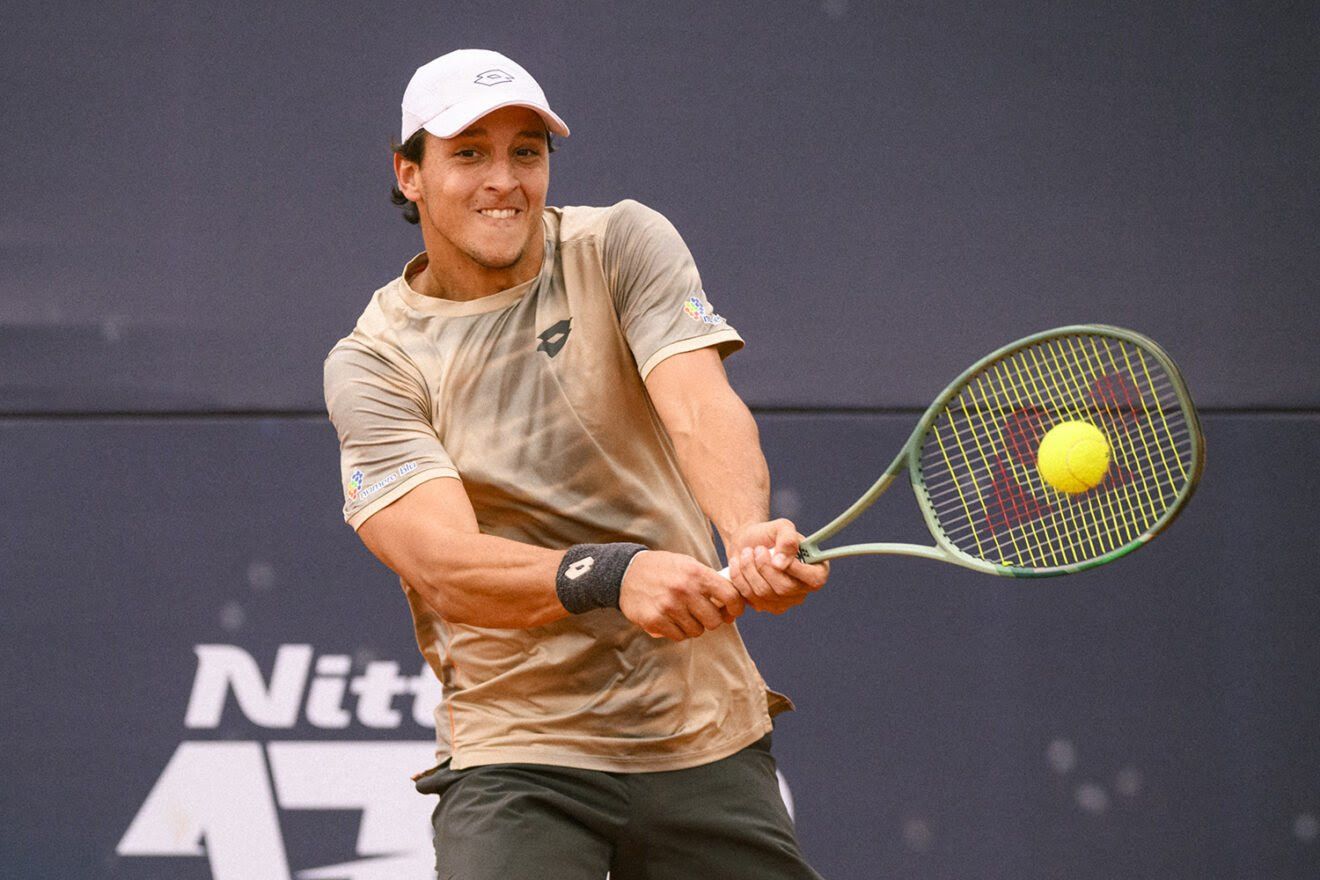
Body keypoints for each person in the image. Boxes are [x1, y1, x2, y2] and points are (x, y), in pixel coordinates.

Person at [323, 48, 830, 879]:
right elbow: (444, 568)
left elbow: (700, 406)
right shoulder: (374, 363)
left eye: (527, 150)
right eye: (469, 153)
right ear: (408, 174)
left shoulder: (622, 243)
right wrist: (612, 574)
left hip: (700, 729)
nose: (504, 179)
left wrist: (745, 534)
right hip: (520, 747)